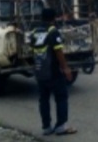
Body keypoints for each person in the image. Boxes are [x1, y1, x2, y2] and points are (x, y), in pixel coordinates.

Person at [32, 8, 77, 136]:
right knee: (61, 97)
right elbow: (59, 52)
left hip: (40, 72)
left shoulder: (34, 32)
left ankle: (46, 127)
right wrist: (66, 69)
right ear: (53, 18)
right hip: (54, 72)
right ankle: (60, 127)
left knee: (43, 99)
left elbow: (32, 51)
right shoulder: (53, 32)